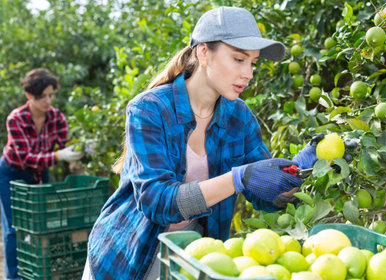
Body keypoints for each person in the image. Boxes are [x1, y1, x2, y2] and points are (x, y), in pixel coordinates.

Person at [84, 6, 322, 280]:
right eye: (238, 59)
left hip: (192, 253)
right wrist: (237, 179)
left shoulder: (239, 117)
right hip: (128, 254)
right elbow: (157, 202)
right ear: (203, 53)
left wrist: (300, 171)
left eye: (253, 63)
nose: (249, 74)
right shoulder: (150, 109)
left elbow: (263, 196)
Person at [0, 69, 83, 280]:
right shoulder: (16, 119)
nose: (48, 101)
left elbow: (66, 147)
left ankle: (35, 271)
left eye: (50, 95)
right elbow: (26, 158)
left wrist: (80, 151)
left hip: (39, 174)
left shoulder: (56, 117)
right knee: (14, 228)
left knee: (39, 226)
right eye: (42, 96)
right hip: (12, 173)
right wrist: (58, 155)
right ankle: (14, 277)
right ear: (30, 96)